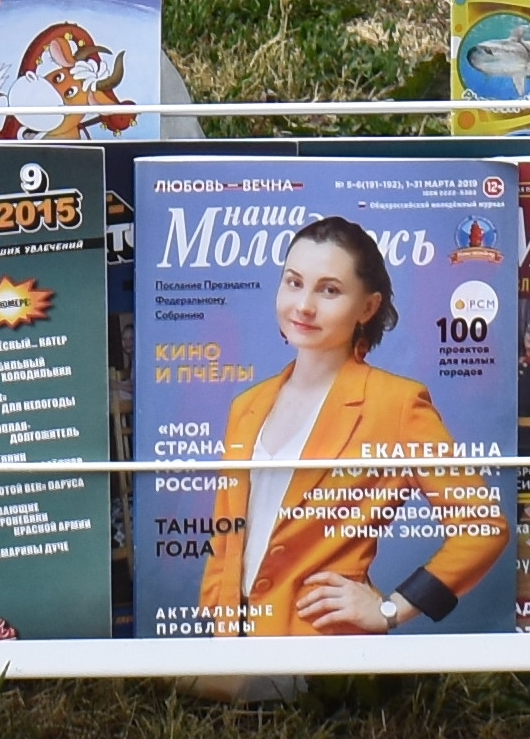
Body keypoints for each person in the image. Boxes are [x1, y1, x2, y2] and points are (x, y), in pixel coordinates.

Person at [189, 220, 509, 641]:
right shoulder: (246, 406)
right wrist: (217, 627)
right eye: (293, 282)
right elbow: (226, 538)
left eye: (329, 290)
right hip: (231, 651)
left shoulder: (396, 403)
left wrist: (390, 609)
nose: (303, 305)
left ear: (368, 307)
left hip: (326, 650)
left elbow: (483, 525)